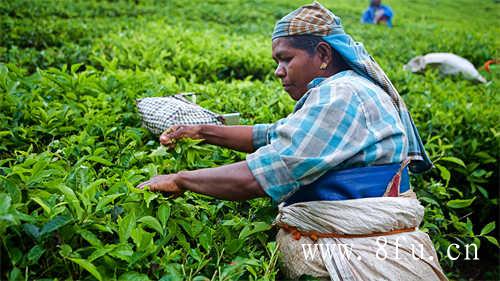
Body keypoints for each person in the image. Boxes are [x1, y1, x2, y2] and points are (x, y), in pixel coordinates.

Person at [137, 2, 448, 280]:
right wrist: (202, 131)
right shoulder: (346, 88)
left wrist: (179, 180)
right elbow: (272, 134)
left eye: (286, 59)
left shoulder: (340, 95)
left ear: (324, 54)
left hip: (362, 256)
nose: (278, 71)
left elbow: (260, 176)